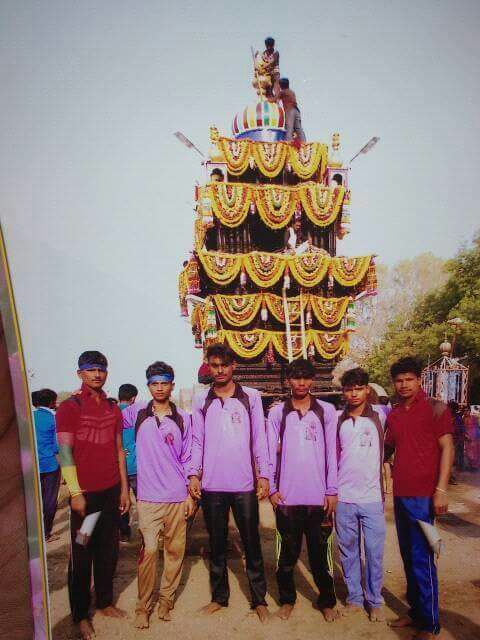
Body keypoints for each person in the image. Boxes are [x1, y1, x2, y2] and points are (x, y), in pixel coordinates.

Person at [188, 343, 270, 622]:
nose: (220, 370)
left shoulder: (251, 397)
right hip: (212, 485)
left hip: (244, 485)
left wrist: (263, 474)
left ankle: (259, 599)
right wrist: (194, 473)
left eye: (225, 365)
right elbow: (197, 440)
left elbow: (259, 438)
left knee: (251, 542)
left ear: (234, 366)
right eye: (215, 365)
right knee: (217, 544)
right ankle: (219, 598)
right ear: (208, 367)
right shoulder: (201, 399)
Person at [56, 351, 130, 640]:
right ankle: (80, 615)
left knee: (108, 550)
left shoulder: (113, 408)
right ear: (80, 373)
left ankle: (105, 602)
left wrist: (124, 489)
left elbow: (119, 450)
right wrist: (75, 493)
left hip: (110, 493)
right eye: (90, 369)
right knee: (82, 553)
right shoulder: (70, 407)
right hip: (86, 499)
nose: (97, 374)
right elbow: (65, 453)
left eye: (101, 369)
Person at [384, 357, 454, 639]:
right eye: (399, 381)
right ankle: (415, 613)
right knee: (408, 556)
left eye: (409, 379)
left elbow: (447, 448)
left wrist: (441, 490)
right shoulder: (394, 414)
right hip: (401, 495)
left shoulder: (436, 408)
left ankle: (430, 625)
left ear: (419, 379)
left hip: (424, 498)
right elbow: (388, 448)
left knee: (423, 558)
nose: (404, 385)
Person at [266, 358, 339, 622]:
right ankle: (287, 600)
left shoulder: (326, 411)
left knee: (321, 557)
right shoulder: (278, 413)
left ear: (313, 380)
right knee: (286, 556)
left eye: (306, 377)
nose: (301, 383)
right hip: (287, 498)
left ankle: (326, 601)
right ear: (288, 380)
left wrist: (332, 489)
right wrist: (272, 489)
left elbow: (332, 453)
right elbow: (269, 453)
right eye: (296, 378)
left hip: (318, 499)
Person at [134, 361, 195, 628]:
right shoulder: (136, 414)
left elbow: (188, 457)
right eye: (154, 384)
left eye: (164, 383)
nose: (159, 388)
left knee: (174, 551)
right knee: (148, 551)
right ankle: (143, 606)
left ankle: (166, 600)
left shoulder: (183, 418)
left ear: (172, 385)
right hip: (148, 499)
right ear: (148, 386)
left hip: (177, 496)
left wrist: (190, 494)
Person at [335, 368, 386, 622]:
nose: (354, 394)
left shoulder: (381, 416)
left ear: (367, 389)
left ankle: (375, 600)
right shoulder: (337, 420)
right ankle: (355, 598)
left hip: (372, 498)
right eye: (349, 389)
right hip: (344, 498)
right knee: (348, 552)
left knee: (374, 553)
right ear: (343, 392)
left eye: (358, 388)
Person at [33, 388, 61, 542]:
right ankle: (46, 533)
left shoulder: (28, 417)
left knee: (34, 499)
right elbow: (57, 446)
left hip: (32, 465)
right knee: (49, 500)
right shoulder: (54, 418)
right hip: (50, 465)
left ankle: (34, 533)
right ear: (51, 402)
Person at [118, 383, 139, 542]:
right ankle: (147, 533)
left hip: (118, 467)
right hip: (136, 466)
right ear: (133, 398)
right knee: (143, 501)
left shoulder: (111, 413)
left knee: (121, 501)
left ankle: (124, 533)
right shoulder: (136, 414)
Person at [277, 78, 306, 142]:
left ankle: (288, 143)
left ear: (281, 85)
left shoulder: (283, 92)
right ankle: (304, 143)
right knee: (299, 129)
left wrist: (268, 100)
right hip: (296, 111)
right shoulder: (291, 92)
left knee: (289, 128)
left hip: (290, 111)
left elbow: (275, 100)